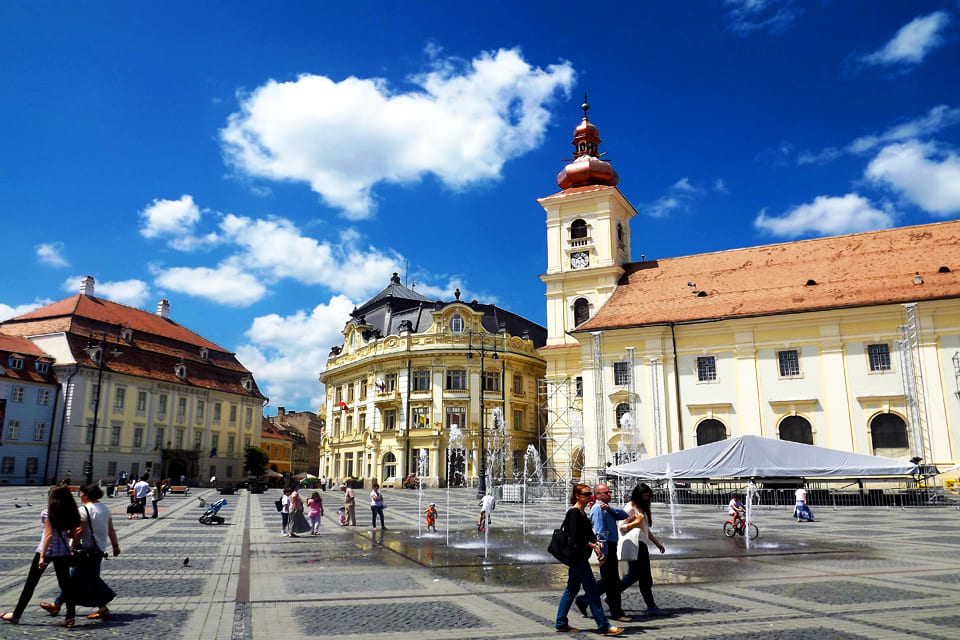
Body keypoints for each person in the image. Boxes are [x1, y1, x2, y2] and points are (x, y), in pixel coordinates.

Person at [1, 487, 79, 625]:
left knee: (30, 584)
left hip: (47, 551)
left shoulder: (48, 513)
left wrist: (42, 556)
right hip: (63, 552)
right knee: (66, 586)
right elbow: (73, 535)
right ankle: (70, 618)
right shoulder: (72, 513)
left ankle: (16, 615)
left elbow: (48, 535)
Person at [554, 483, 624, 636]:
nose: (589, 496)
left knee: (571, 590)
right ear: (578, 496)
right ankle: (603, 626)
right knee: (592, 590)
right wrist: (591, 544)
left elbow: (587, 533)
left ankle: (561, 622)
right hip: (577, 557)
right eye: (586, 494)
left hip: (579, 556)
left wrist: (596, 542)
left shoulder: (582, 512)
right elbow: (574, 538)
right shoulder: (573, 513)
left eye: (590, 494)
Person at [574, 483, 631, 623]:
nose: (609, 494)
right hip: (607, 546)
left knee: (609, 581)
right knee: (613, 582)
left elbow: (624, 514)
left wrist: (610, 508)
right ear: (598, 495)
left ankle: (583, 599)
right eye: (606, 492)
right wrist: (603, 552)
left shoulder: (607, 508)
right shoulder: (598, 509)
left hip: (611, 545)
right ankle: (616, 612)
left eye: (609, 491)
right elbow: (600, 533)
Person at [619, 483, 669, 616]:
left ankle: (612, 595)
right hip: (635, 544)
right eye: (645, 496)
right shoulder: (629, 507)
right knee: (645, 577)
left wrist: (656, 543)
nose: (647, 498)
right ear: (638, 495)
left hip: (641, 544)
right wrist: (635, 521)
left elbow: (645, 528)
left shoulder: (641, 506)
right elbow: (621, 526)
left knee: (635, 576)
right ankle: (651, 607)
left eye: (648, 496)